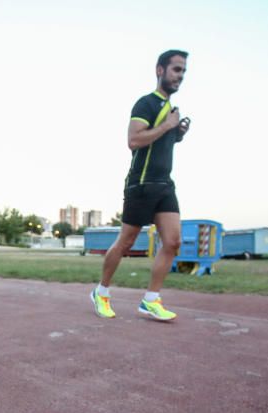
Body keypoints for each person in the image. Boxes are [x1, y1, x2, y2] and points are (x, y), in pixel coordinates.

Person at [91, 49, 191, 321]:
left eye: (183, 71)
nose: (180, 76)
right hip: (141, 183)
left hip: (164, 184)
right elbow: (134, 141)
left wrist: (176, 133)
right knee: (126, 241)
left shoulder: (171, 110)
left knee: (173, 241)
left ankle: (151, 299)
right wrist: (166, 125)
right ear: (160, 70)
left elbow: (160, 143)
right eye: (176, 69)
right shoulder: (145, 104)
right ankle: (101, 292)